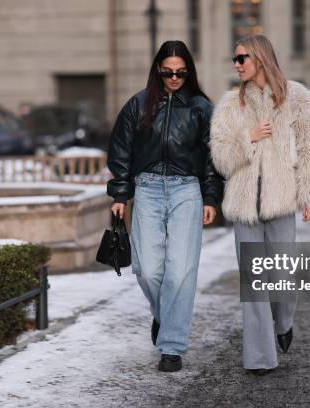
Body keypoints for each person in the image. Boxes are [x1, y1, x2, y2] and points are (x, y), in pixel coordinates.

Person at [210, 34, 310, 375]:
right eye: (235, 59)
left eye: (241, 58)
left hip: (282, 202)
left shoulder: (298, 99)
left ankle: (284, 322)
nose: (236, 64)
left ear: (260, 58)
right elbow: (220, 158)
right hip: (244, 206)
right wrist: (248, 138)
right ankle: (260, 358)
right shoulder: (231, 105)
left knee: (281, 276)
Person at [106, 40, 223, 372]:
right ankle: (165, 316)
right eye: (168, 72)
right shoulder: (139, 105)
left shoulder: (202, 107)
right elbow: (120, 153)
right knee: (147, 269)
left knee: (182, 269)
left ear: (189, 72)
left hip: (187, 190)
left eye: (181, 73)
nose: (174, 78)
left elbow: (213, 157)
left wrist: (211, 197)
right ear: (157, 70)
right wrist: (119, 195)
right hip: (146, 189)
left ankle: (171, 346)